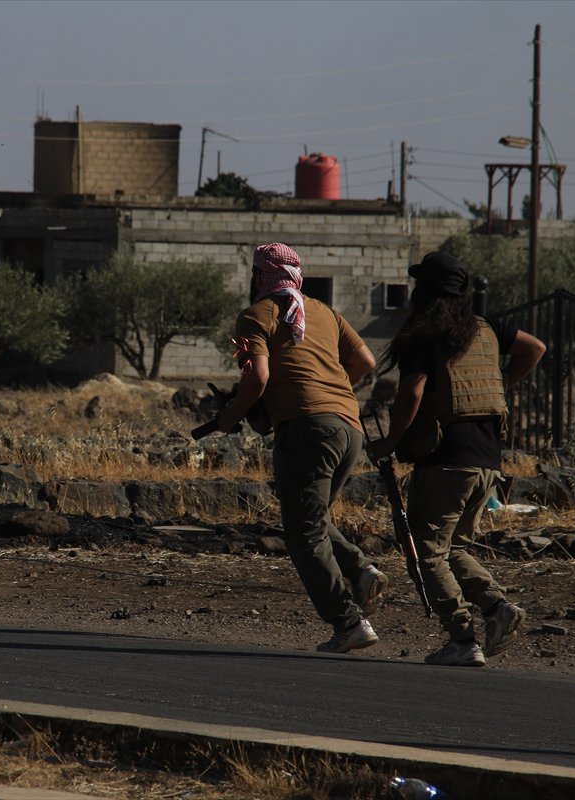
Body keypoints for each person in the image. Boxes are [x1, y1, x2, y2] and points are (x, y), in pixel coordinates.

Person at [367, 251, 546, 667]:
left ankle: (463, 639)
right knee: (457, 548)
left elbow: (411, 393)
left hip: (445, 460)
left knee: (429, 553)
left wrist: (390, 442)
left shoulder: (424, 334)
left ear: (423, 291)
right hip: (487, 462)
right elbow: (535, 348)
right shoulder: (486, 329)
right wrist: (501, 385)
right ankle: (498, 608)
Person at [217, 242, 386, 654]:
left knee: (302, 533)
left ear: (259, 277)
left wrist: (229, 416)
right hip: (349, 428)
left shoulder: (255, 315)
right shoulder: (324, 312)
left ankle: (348, 623)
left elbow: (257, 377)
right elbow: (366, 362)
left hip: (308, 429)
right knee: (309, 515)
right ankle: (360, 569)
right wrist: (329, 388)